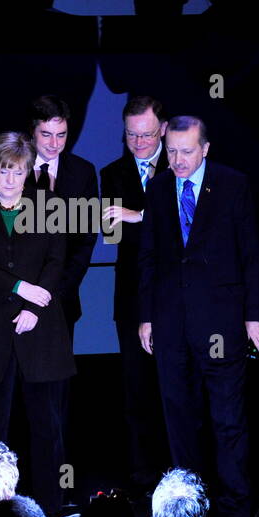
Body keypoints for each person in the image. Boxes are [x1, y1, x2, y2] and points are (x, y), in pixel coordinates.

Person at [138, 116, 259, 517]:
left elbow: (252, 255)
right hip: (171, 325)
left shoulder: (234, 185)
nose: (177, 159)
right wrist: (146, 318)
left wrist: (255, 316)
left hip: (223, 324)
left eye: (187, 151)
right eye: (171, 150)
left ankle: (236, 510)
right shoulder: (158, 188)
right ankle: (189, 509)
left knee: (228, 419)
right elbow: (149, 259)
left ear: (206, 148)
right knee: (179, 417)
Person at [0, 133, 76, 515]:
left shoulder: (49, 205)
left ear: (28, 172)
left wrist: (34, 308)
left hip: (40, 330)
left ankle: (51, 509)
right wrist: (19, 287)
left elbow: (57, 263)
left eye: (19, 171)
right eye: (4, 169)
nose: (11, 179)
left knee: (48, 428)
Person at [101, 94, 171, 488]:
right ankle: (144, 477)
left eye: (145, 135)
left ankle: (182, 469)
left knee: (177, 388)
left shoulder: (181, 164)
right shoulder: (113, 174)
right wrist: (145, 220)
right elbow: (112, 234)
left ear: (162, 129)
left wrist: (139, 215)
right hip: (131, 299)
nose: (138, 143)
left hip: (176, 295)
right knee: (137, 393)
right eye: (130, 135)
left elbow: (185, 225)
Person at [26, 94, 99, 339]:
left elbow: (86, 239)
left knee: (57, 375)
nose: (54, 143)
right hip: (14, 296)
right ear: (32, 132)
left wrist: (57, 290)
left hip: (61, 298)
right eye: (46, 134)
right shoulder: (10, 169)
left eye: (61, 134)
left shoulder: (83, 172)